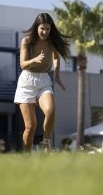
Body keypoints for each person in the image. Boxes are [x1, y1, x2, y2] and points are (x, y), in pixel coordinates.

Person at [14, 12, 70, 152]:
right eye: (42, 28)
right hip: (27, 82)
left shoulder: (52, 42)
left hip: (44, 80)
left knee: (50, 110)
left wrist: (57, 75)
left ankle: (46, 143)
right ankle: (27, 156)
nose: (45, 32)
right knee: (31, 126)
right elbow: (22, 64)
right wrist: (35, 60)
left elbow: (56, 57)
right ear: (36, 27)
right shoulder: (27, 41)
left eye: (48, 29)